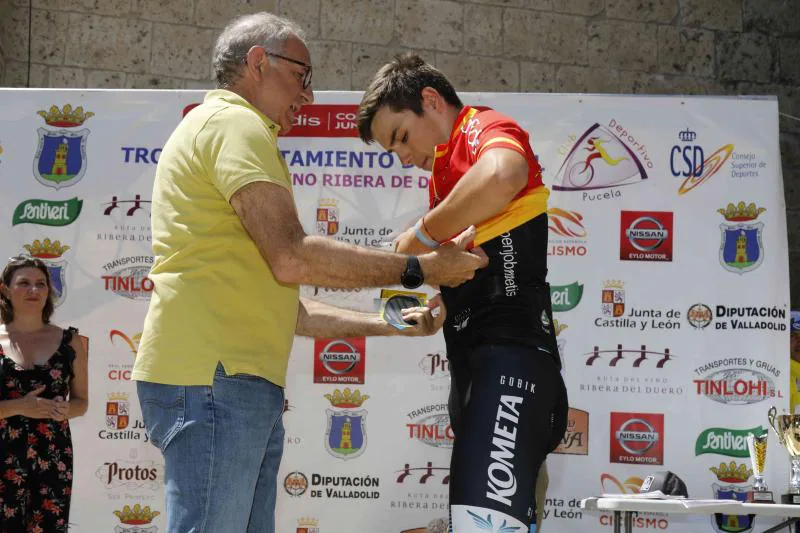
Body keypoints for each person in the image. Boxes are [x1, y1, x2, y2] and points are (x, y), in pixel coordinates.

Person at [132, 12, 486, 533]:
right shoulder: (235, 125)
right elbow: (292, 257)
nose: (310, 95)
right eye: (302, 74)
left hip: (227, 381)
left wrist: (391, 323)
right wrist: (423, 268)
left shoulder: (228, 128)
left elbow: (290, 310)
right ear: (257, 62)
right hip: (215, 382)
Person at [358, 53, 569, 532]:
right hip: (481, 368)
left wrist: (423, 235)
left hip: (512, 365)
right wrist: (442, 308)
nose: (403, 157)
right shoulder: (444, 174)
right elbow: (487, 265)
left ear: (430, 101)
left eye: (401, 138)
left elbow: (504, 174)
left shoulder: (480, 125)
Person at [0, 256, 89, 533]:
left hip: (52, 456)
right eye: (24, 283)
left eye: (40, 284)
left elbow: (81, 403)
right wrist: (20, 406)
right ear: (4, 289)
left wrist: (63, 410)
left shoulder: (71, 341)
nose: (33, 291)